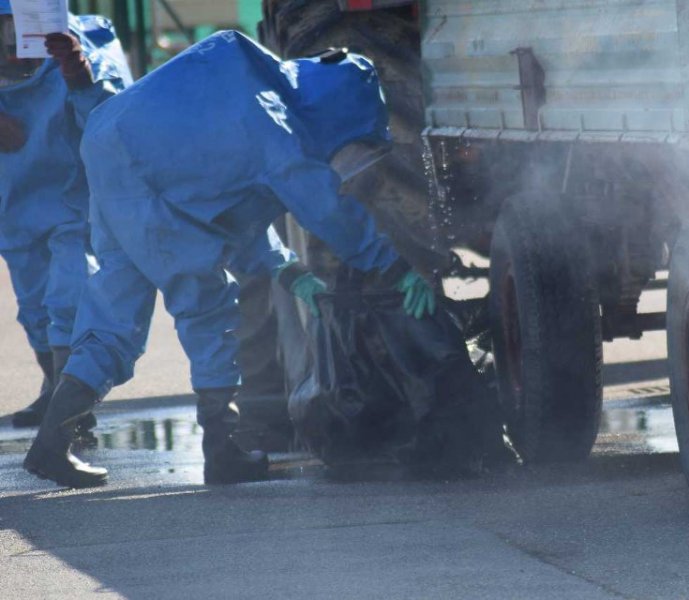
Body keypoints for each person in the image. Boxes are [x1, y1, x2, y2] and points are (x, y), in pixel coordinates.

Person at [24, 32, 436, 488]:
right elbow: (321, 203)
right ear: (339, 110)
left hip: (111, 154)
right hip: (145, 181)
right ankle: (221, 450)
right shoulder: (274, 123)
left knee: (114, 317)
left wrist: (286, 268)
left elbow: (224, 203)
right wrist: (390, 264)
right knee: (208, 307)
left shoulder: (243, 73)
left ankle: (50, 445)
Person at [0, 4, 129, 429]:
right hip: (15, 202)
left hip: (73, 198)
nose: (13, 45)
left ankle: (68, 405)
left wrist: (77, 72)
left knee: (69, 294)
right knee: (34, 303)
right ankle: (53, 386)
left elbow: (111, 112)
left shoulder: (78, 47)